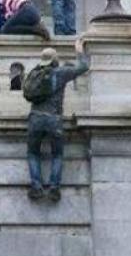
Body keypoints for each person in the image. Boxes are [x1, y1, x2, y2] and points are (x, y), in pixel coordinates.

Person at [24, 37, 90, 203]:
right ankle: (54, 188)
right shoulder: (61, 73)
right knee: (57, 154)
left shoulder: (34, 73)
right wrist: (79, 49)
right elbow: (83, 67)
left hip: (35, 118)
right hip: (54, 119)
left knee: (33, 153)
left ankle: (36, 186)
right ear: (55, 60)